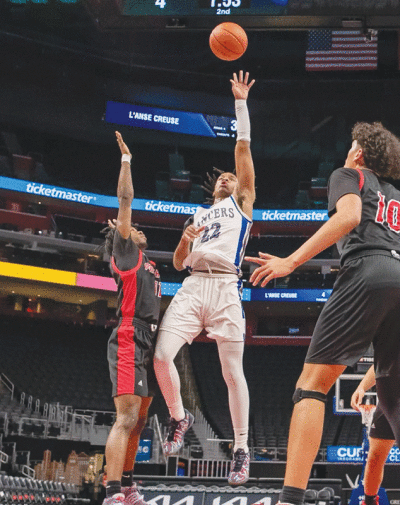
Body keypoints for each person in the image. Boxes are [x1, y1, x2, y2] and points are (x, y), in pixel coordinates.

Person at [246, 122, 400, 505]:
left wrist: (291, 262)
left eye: (351, 145)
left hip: (369, 270)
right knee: (395, 403)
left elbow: (348, 218)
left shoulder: (349, 175)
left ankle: (290, 499)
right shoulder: (397, 196)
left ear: (360, 153)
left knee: (311, 386)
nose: (347, 151)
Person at [154, 71, 256, 485]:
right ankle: (180, 417)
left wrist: (239, 103)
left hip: (227, 285)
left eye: (230, 176)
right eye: (222, 177)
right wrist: (183, 239)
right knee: (161, 356)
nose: (227, 178)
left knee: (233, 373)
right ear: (212, 186)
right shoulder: (197, 216)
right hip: (194, 284)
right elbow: (178, 263)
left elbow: (243, 149)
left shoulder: (242, 202)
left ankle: (242, 449)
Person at [102, 131, 161, 505]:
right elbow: (125, 198)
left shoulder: (150, 264)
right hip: (128, 336)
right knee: (125, 419)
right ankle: (111, 493)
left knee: (139, 421)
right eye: (130, 228)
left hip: (150, 340)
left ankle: (127, 484)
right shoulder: (126, 253)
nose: (137, 229)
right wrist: (126, 160)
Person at [351, 366, 395, 505]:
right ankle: (369, 501)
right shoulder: (391, 345)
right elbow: (380, 363)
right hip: (388, 399)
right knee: (375, 456)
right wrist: (362, 387)